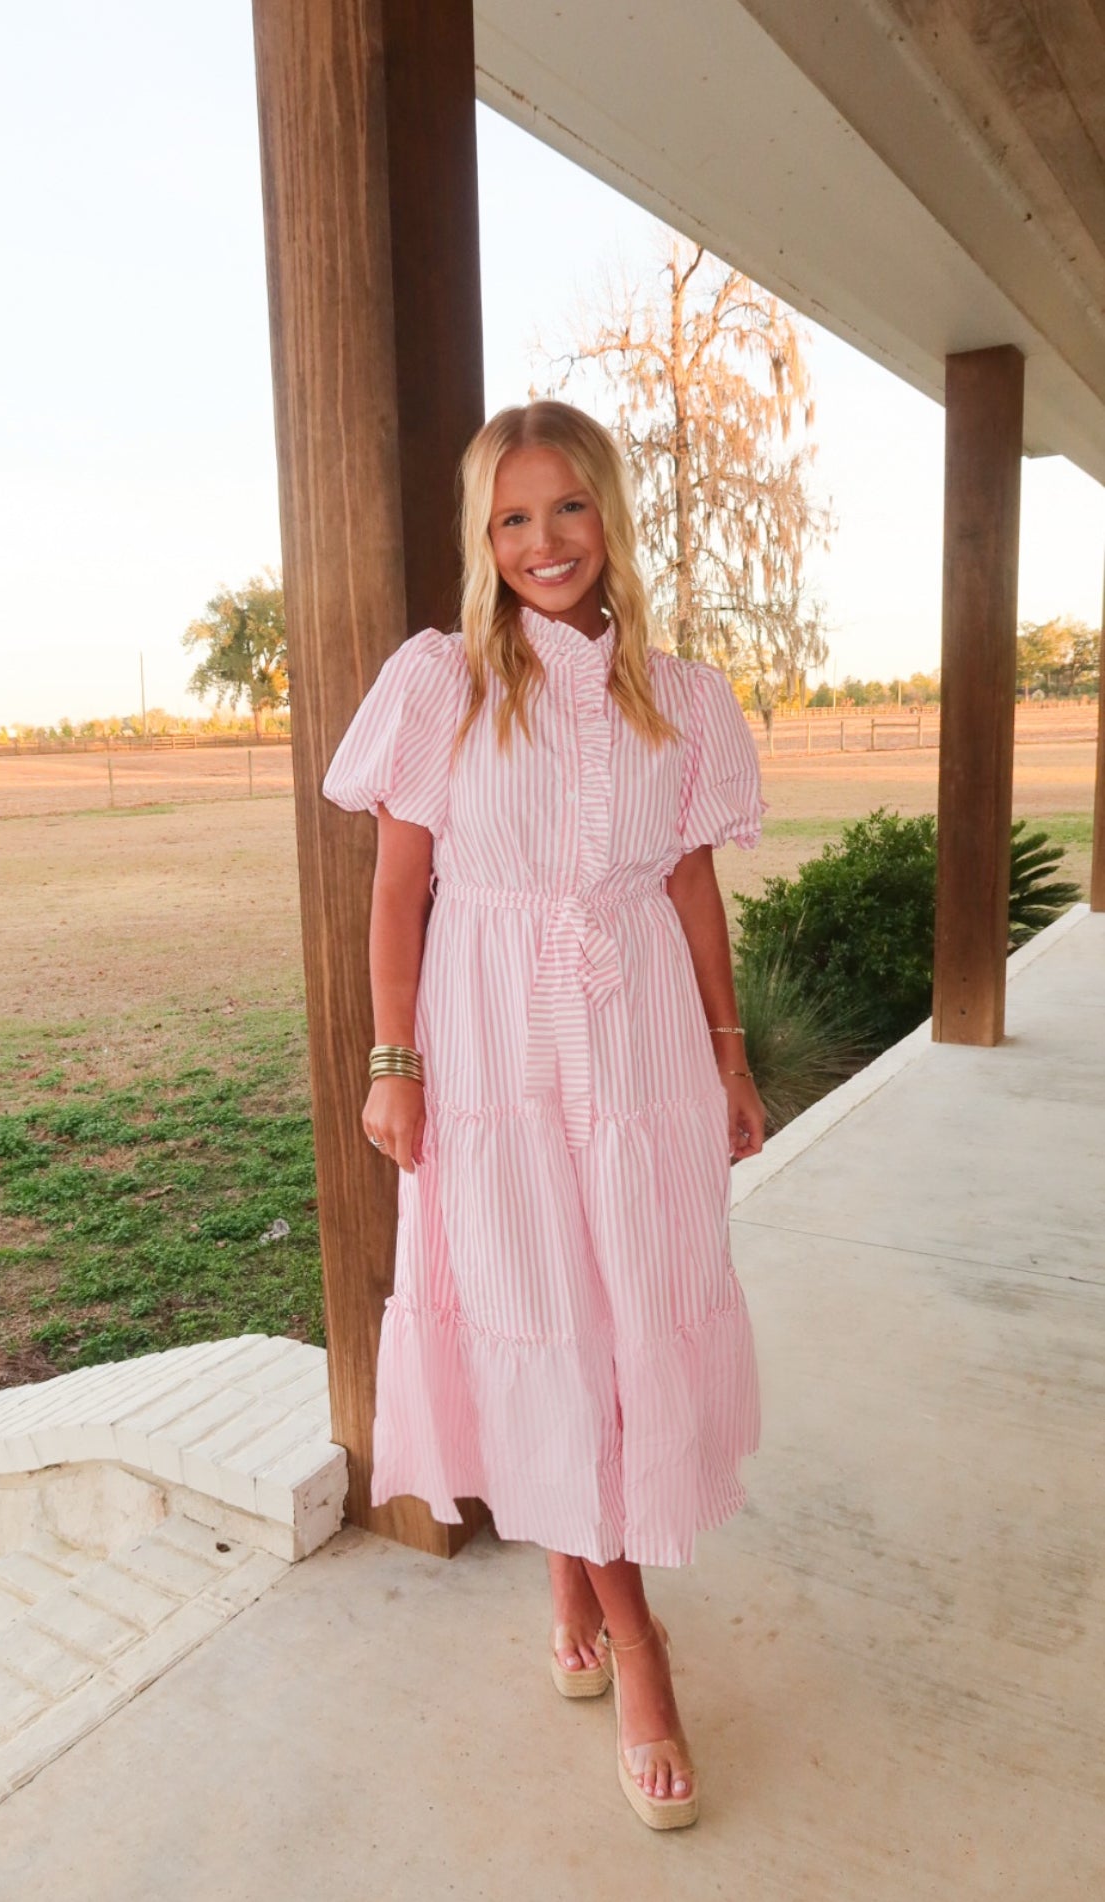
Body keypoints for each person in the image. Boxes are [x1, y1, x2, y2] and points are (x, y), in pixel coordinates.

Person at [320, 399, 767, 1831]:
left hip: (637, 1047)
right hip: (491, 1049)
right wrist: (393, 1055)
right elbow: (399, 887)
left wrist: (729, 1054)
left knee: (627, 1321)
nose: (542, 542)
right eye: (512, 518)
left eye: (567, 508)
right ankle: (639, 1645)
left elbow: (693, 886)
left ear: (609, 516)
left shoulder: (682, 695)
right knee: (543, 1317)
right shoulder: (440, 680)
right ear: (482, 537)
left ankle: (576, 1574)